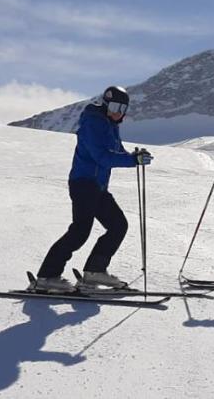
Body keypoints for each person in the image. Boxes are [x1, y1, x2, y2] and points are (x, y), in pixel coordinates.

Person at [33, 86, 153, 292]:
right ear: (105, 104)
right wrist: (132, 160)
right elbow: (102, 157)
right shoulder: (93, 123)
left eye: (123, 108)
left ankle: (94, 272)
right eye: (115, 106)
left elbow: (117, 152)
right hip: (83, 184)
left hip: (98, 187)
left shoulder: (110, 125)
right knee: (80, 231)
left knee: (118, 225)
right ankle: (46, 276)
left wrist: (135, 157)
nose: (118, 112)